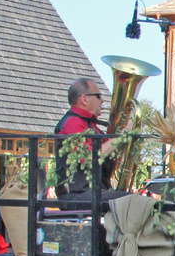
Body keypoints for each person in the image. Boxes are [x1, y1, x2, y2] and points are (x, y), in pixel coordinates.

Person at [54, 76, 127, 207]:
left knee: (135, 201)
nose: (102, 100)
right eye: (98, 96)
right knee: (135, 202)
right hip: (77, 195)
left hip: (94, 193)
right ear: (84, 99)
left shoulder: (93, 127)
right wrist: (121, 138)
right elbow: (88, 157)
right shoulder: (72, 123)